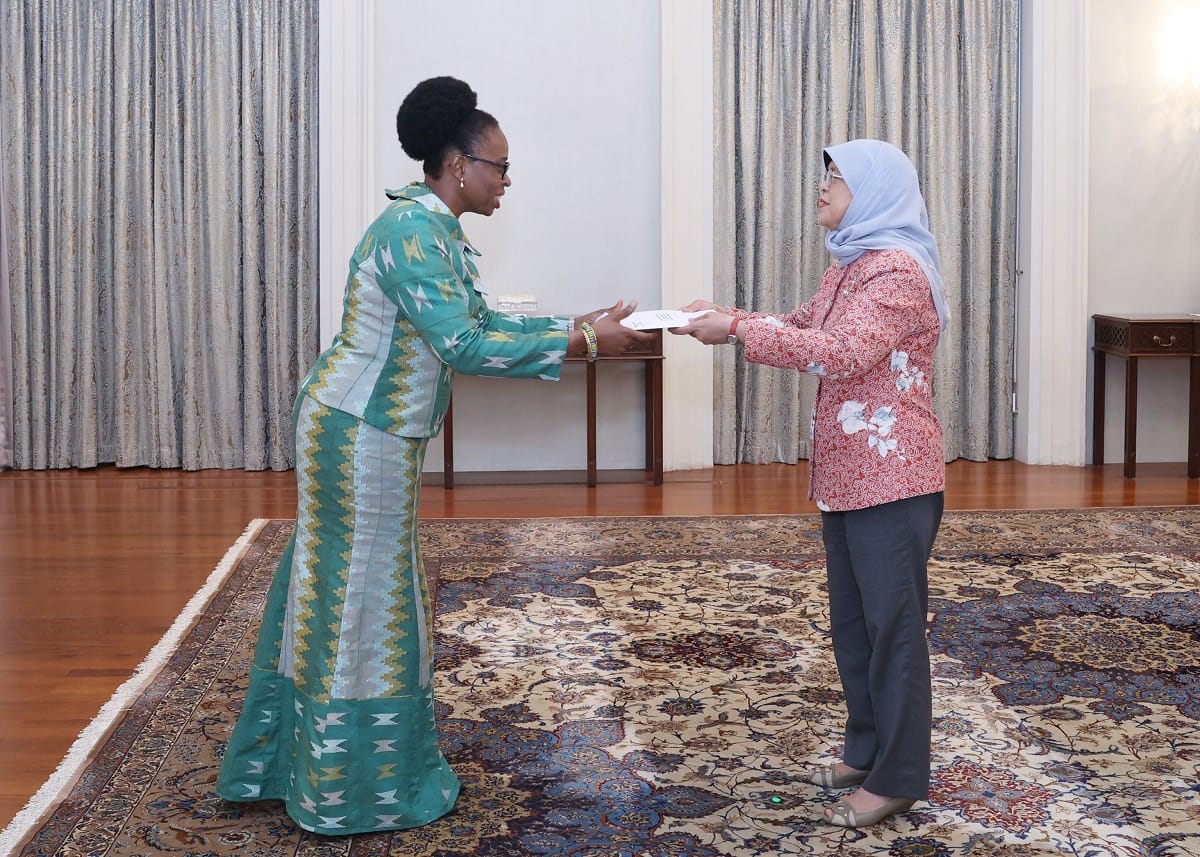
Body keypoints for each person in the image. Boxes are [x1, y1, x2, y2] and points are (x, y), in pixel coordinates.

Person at [215, 75, 653, 835]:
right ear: (458, 164)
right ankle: (356, 787)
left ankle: (301, 764)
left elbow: (475, 318)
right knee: (365, 599)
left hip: (369, 429)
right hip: (360, 431)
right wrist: (586, 343)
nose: (506, 181)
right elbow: (465, 344)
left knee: (347, 585)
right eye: (500, 166)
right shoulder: (413, 232)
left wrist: (577, 323)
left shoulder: (432, 229)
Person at [672, 139, 947, 828]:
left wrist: (735, 329)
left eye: (837, 177)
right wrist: (726, 315)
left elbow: (840, 353)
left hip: (895, 479)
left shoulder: (897, 274)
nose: (822, 187)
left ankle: (899, 774)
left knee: (894, 631)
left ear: (877, 190)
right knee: (854, 626)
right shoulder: (849, 268)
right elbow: (801, 326)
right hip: (848, 479)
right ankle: (865, 748)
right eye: (824, 173)